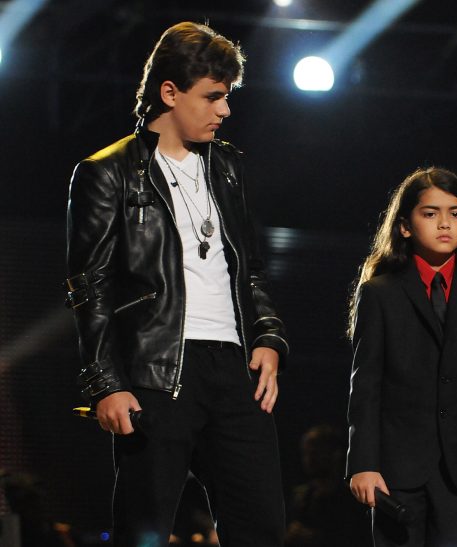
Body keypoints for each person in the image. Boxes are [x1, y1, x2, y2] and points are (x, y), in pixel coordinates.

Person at [64, 21, 289, 546]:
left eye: (227, 97)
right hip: (157, 370)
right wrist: (107, 385)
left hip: (234, 370)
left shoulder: (229, 168)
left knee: (261, 527)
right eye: (212, 96)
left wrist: (269, 339)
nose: (225, 110)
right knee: (144, 528)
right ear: (170, 92)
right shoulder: (108, 172)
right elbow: (88, 286)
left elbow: (249, 267)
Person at [346, 167, 457, 547]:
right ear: (405, 226)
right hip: (394, 469)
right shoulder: (380, 294)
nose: (445, 223)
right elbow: (366, 384)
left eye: (455, 214)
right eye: (430, 213)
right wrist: (363, 463)